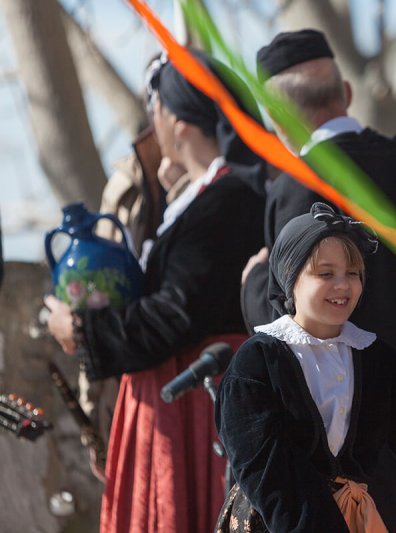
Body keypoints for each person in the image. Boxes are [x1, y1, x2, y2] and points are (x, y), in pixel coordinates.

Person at [44, 51, 267, 533]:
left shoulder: (223, 202)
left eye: (157, 108)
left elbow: (172, 315)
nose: (152, 121)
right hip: (181, 397)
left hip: (191, 403)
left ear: (180, 121)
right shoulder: (211, 196)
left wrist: (80, 329)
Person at [241, 29, 396, 360]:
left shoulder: (298, 186)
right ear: (346, 94)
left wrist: (254, 283)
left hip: (353, 396)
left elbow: (290, 323)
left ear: (277, 116)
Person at [215, 203, 396, 532]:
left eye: (352, 273)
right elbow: (269, 476)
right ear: (291, 278)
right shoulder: (256, 365)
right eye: (325, 274)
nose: (342, 285)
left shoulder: (373, 355)